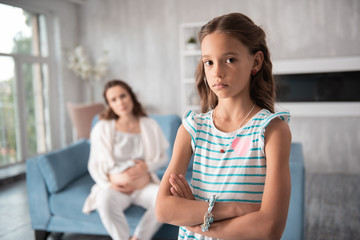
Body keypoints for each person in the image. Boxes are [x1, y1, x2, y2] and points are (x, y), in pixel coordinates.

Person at [156, 12, 292, 240]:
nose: (217, 72)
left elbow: (269, 229)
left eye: (229, 59)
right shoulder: (192, 128)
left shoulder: (272, 131)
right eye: (209, 62)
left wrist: (196, 220)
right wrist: (234, 209)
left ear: (255, 62)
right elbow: (163, 208)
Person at [82, 79, 169, 240]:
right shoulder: (102, 128)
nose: (120, 102)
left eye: (123, 96)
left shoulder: (149, 124)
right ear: (109, 104)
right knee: (104, 200)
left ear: (131, 97)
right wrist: (109, 184)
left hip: (144, 186)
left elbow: (163, 158)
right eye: (113, 100)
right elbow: (94, 165)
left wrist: (146, 167)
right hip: (117, 188)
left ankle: (139, 238)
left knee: (164, 200)